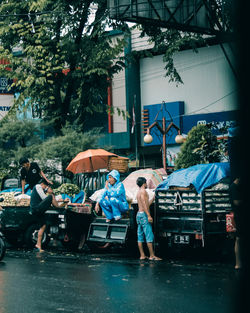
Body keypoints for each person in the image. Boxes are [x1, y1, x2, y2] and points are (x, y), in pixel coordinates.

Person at [30, 179, 66, 252]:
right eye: (45, 186)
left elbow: (44, 199)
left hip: (37, 210)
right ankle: (58, 207)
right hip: (36, 208)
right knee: (51, 196)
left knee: (43, 226)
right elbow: (44, 198)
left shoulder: (39, 189)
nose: (45, 188)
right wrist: (50, 193)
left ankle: (38, 245)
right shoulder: (37, 186)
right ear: (42, 184)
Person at [136, 177, 161, 261]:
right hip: (144, 215)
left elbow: (146, 204)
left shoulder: (139, 192)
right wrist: (149, 215)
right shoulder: (144, 191)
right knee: (149, 235)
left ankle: (142, 255)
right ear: (144, 183)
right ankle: (152, 256)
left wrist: (153, 199)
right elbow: (144, 204)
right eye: (146, 183)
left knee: (140, 236)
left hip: (139, 214)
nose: (146, 184)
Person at [229, 177, 243, 270]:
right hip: (238, 216)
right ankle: (238, 263)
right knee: (239, 239)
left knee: (238, 239)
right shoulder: (234, 187)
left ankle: (239, 263)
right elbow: (237, 202)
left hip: (236, 215)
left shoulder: (234, 187)